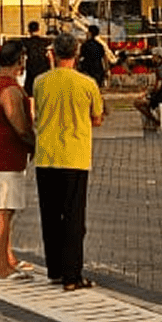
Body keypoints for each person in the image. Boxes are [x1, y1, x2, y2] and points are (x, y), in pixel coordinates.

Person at [33, 31, 105, 291]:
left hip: (46, 156)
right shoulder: (87, 84)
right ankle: (72, 275)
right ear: (77, 53)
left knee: (50, 216)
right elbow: (96, 117)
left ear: (53, 53)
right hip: (74, 156)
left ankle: (54, 268)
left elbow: (38, 113)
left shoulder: (41, 82)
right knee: (74, 217)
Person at [0, 41, 36, 280]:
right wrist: (34, 143)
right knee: (4, 208)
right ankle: (2, 266)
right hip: (6, 153)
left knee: (8, 208)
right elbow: (20, 126)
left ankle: (9, 257)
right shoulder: (9, 90)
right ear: (19, 61)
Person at [133, 48, 162, 132]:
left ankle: (155, 121)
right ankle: (153, 121)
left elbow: (158, 86)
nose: (152, 58)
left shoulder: (160, 68)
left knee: (137, 103)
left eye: (154, 56)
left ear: (158, 57)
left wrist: (149, 93)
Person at [18, 21, 52, 94]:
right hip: (44, 68)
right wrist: (52, 68)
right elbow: (50, 56)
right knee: (44, 91)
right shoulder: (45, 42)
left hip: (31, 68)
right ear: (39, 29)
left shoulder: (25, 42)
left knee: (30, 92)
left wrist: (21, 68)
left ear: (29, 31)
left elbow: (23, 56)